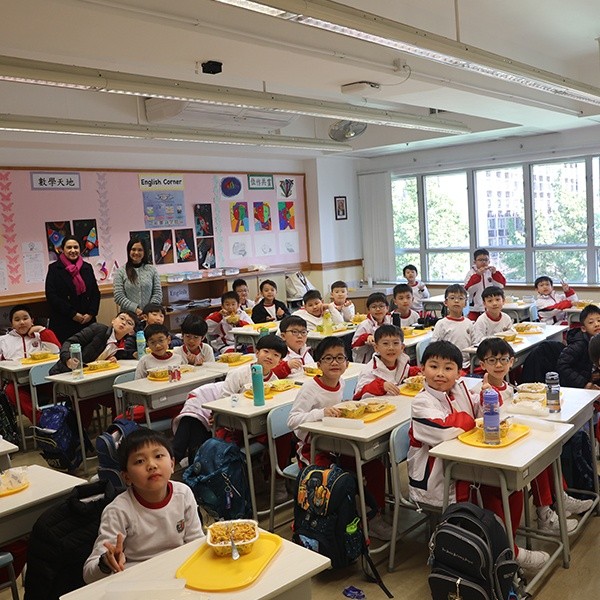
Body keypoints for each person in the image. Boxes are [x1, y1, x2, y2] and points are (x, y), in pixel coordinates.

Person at [407, 340, 549, 577]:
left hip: (466, 463)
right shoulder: (422, 402)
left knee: (511, 487)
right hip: (438, 476)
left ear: (459, 372)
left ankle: (505, 547)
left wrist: (485, 398)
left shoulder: (460, 388)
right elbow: (444, 430)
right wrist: (469, 419)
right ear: (422, 369)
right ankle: (508, 552)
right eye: (433, 366)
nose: (440, 373)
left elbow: (481, 411)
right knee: (488, 490)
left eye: (448, 368)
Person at [472, 338, 591, 531]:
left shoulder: (508, 387)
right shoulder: (482, 391)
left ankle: (559, 497)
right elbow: (484, 420)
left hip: (514, 438)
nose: (499, 365)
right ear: (482, 364)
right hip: (496, 449)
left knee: (546, 450)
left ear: (512, 361)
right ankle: (545, 513)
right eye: (492, 361)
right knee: (537, 457)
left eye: (503, 360)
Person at [287, 336, 392, 540]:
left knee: (373, 466)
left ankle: (373, 517)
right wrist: (321, 413)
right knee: (332, 478)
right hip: (312, 448)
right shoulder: (310, 388)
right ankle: (322, 525)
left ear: (346, 363)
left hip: (339, 444)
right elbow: (292, 420)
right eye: (328, 358)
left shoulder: (342, 382)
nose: (334, 362)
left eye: (339, 358)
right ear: (318, 365)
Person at [82, 428, 204, 583]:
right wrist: (106, 563)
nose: (152, 465)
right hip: (137, 581)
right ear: (126, 477)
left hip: (178, 575)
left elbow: (196, 543)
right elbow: (88, 575)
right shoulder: (118, 511)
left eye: (158, 456)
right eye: (140, 461)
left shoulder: (183, 494)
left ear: (172, 464)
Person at [173, 334, 287, 463]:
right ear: (256, 352)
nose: (270, 357)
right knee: (224, 451)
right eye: (266, 351)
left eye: (276, 355)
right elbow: (224, 399)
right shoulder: (239, 374)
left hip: (255, 422)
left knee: (280, 433)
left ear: (280, 361)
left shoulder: (274, 380)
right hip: (234, 423)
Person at [0, 304, 61, 421]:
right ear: (12, 324)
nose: (22, 322)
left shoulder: (40, 335)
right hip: (18, 382)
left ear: (32, 320)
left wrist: (41, 330)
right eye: (17, 320)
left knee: (62, 386)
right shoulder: (4, 340)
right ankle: (40, 421)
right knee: (10, 390)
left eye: (25, 318)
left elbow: (57, 350)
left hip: (43, 380)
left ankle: (66, 420)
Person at [45, 235, 101, 343]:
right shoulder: (54, 269)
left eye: (76, 247)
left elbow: (95, 293)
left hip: (86, 321)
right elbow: (51, 296)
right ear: (62, 249)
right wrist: (73, 314)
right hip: (64, 320)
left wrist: (91, 313)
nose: (73, 250)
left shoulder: (87, 267)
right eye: (69, 247)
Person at [49, 311, 138, 375]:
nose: (123, 323)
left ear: (131, 331)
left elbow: (123, 354)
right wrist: (68, 359)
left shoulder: (123, 344)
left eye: (129, 323)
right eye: (121, 318)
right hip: (64, 372)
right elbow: (70, 342)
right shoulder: (98, 329)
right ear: (113, 320)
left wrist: (112, 359)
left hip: (88, 374)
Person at [353, 324, 419, 399]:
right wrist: (380, 386)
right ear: (376, 348)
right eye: (385, 343)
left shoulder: (402, 362)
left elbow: (407, 371)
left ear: (402, 347)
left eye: (395, 343)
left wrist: (417, 372)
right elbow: (358, 396)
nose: (391, 348)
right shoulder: (370, 370)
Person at [113, 237, 162, 319]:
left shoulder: (152, 270)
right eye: (133, 249)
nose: (136, 252)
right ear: (129, 251)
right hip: (128, 317)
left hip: (148, 317)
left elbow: (157, 293)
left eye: (140, 250)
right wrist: (135, 309)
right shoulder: (120, 272)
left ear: (144, 252)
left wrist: (148, 310)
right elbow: (119, 296)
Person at [557, 304, 600, 389]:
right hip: (577, 386)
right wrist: (584, 383)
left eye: (599, 320)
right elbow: (562, 365)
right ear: (583, 328)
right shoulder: (579, 344)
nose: (597, 324)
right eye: (591, 322)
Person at [431, 284, 473, 369]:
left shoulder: (469, 323)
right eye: (452, 298)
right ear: (446, 302)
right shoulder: (441, 324)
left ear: (465, 303)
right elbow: (434, 346)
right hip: (448, 364)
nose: (456, 301)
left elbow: (474, 344)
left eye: (460, 298)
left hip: (468, 364)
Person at [464, 248, 506, 321]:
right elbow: (469, 290)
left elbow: (501, 286)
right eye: (480, 260)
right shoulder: (471, 273)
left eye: (486, 260)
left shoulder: (492, 272)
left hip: (492, 308)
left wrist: (495, 274)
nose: (483, 262)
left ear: (489, 261)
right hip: (476, 309)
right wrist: (477, 276)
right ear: (475, 262)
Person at [351, 292, 392, 364]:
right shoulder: (364, 325)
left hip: (385, 358)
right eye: (374, 307)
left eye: (381, 306)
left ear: (387, 308)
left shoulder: (391, 320)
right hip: (366, 361)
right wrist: (364, 338)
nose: (378, 309)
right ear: (368, 310)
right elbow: (354, 347)